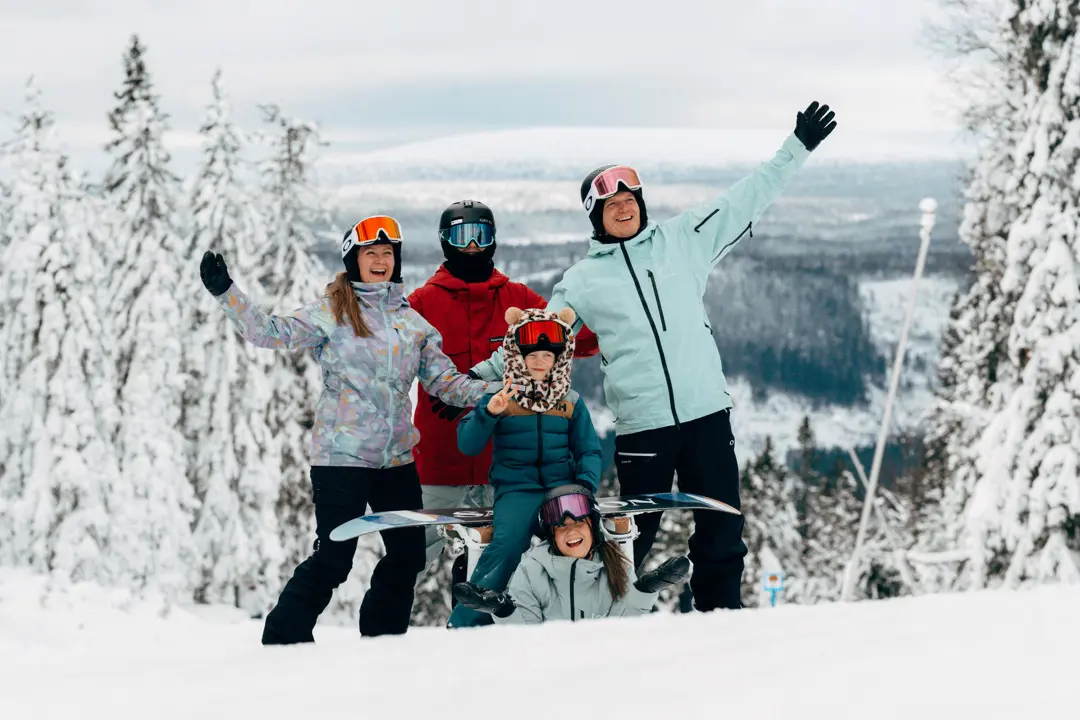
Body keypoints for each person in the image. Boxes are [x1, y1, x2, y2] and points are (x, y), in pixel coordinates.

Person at [470, 101, 838, 611]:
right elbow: (539, 339)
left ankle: (720, 621)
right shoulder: (583, 280)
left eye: (631, 197)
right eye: (611, 202)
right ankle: (597, 618)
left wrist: (796, 148)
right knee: (631, 538)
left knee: (722, 529)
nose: (624, 206)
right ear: (595, 216)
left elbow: (745, 199)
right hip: (644, 426)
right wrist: (473, 381)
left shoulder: (681, 240)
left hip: (707, 412)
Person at [198, 215, 498, 644]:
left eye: (386, 253)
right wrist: (227, 293)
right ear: (352, 260)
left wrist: (500, 392)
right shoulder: (333, 312)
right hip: (342, 459)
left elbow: (446, 383)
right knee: (336, 557)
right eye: (370, 253)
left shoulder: (412, 323)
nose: (379, 260)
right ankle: (283, 639)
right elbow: (269, 333)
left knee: (408, 554)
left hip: (396, 460)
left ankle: (382, 640)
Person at [407, 200, 598, 581]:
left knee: (504, 570)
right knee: (408, 562)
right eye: (463, 236)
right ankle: (381, 640)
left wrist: (596, 313)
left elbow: (581, 340)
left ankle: (484, 636)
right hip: (440, 466)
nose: (474, 245)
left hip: (506, 473)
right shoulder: (421, 304)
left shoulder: (519, 300)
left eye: (483, 234)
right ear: (446, 241)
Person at [445, 307, 602, 628]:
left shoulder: (570, 400)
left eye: (548, 355)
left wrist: (585, 486)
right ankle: (465, 623)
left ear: (559, 358)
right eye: (532, 355)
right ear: (517, 356)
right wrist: (488, 413)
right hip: (517, 489)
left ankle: (586, 619)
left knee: (579, 545)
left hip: (564, 489)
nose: (541, 361)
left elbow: (588, 448)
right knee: (507, 545)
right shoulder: (500, 396)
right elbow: (468, 444)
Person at [453, 485, 691, 623]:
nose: (572, 532)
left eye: (579, 523)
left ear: (593, 529)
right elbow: (525, 633)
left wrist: (643, 592)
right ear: (552, 537)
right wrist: (504, 610)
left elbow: (624, 624)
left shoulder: (614, 567)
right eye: (562, 527)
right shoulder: (533, 569)